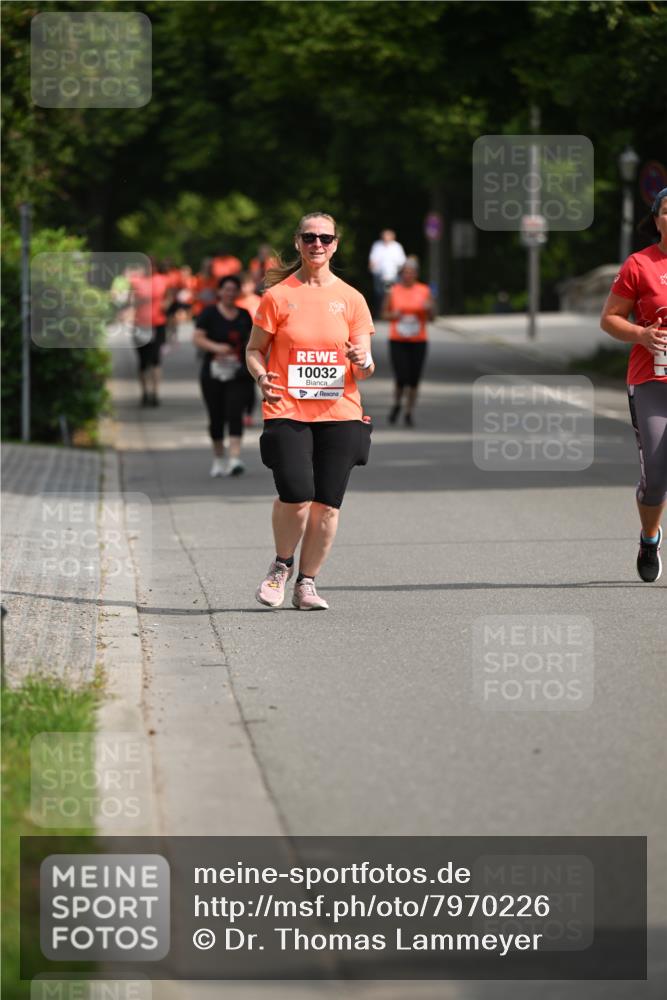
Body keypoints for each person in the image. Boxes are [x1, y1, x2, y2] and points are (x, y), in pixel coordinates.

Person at [246, 211, 375, 610]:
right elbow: (254, 351)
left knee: (327, 504)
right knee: (297, 494)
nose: (317, 244)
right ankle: (281, 565)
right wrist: (261, 376)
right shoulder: (278, 296)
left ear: (336, 244)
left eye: (325, 238)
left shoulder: (351, 298)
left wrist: (362, 359)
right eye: (309, 237)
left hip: (341, 413)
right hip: (287, 409)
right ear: (297, 242)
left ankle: (307, 583)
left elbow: (367, 368)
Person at [600, 187, 667, 582]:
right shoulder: (639, 264)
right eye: (666, 211)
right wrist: (641, 335)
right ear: (656, 219)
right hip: (652, 378)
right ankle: (649, 536)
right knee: (657, 472)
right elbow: (610, 319)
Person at [194, 275, 253, 477]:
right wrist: (216, 347)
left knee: (235, 412)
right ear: (219, 291)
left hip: (238, 373)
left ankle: (234, 459)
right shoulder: (209, 313)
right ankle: (219, 459)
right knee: (216, 416)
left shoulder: (245, 315)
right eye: (226, 289)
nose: (229, 293)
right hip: (213, 373)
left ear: (238, 292)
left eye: (233, 289)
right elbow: (198, 338)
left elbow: (253, 342)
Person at [382, 256, 434, 427]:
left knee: (414, 380)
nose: (408, 275)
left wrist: (429, 309)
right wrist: (393, 315)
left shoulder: (424, 290)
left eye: (411, 272)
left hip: (418, 340)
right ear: (401, 274)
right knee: (401, 377)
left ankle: (409, 412)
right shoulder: (393, 290)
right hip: (398, 340)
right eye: (405, 272)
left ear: (416, 274)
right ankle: (397, 403)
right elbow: (383, 314)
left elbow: (433, 317)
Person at [236, 272, 262, 427]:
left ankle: (249, 413)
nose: (245, 288)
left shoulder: (260, 302)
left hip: (259, 344)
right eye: (242, 285)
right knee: (241, 381)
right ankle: (238, 410)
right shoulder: (237, 303)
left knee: (253, 381)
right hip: (241, 345)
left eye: (248, 284)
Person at [368, 228, 406, 317]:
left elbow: (402, 261)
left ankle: (390, 312)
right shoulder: (377, 245)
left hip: (393, 276)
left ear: (393, 237)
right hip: (379, 275)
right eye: (384, 235)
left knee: (391, 294)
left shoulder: (397, 247)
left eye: (388, 235)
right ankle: (379, 313)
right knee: (379, 294)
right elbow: (372, 259)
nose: (386, 237)